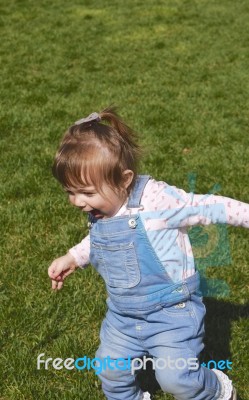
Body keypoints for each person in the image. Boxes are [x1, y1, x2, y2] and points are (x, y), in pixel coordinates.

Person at [48, 106, 248, 400]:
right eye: (70, 192)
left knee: (177, 378)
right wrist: (74, 257)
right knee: (110, 371)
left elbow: (211, 206)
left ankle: (217, 390)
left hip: (172, 313)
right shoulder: (101, 209)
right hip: (122, 316)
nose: (77, 201)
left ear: (124, 179)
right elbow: (99, 239)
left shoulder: (158, 201)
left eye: (86, 193)